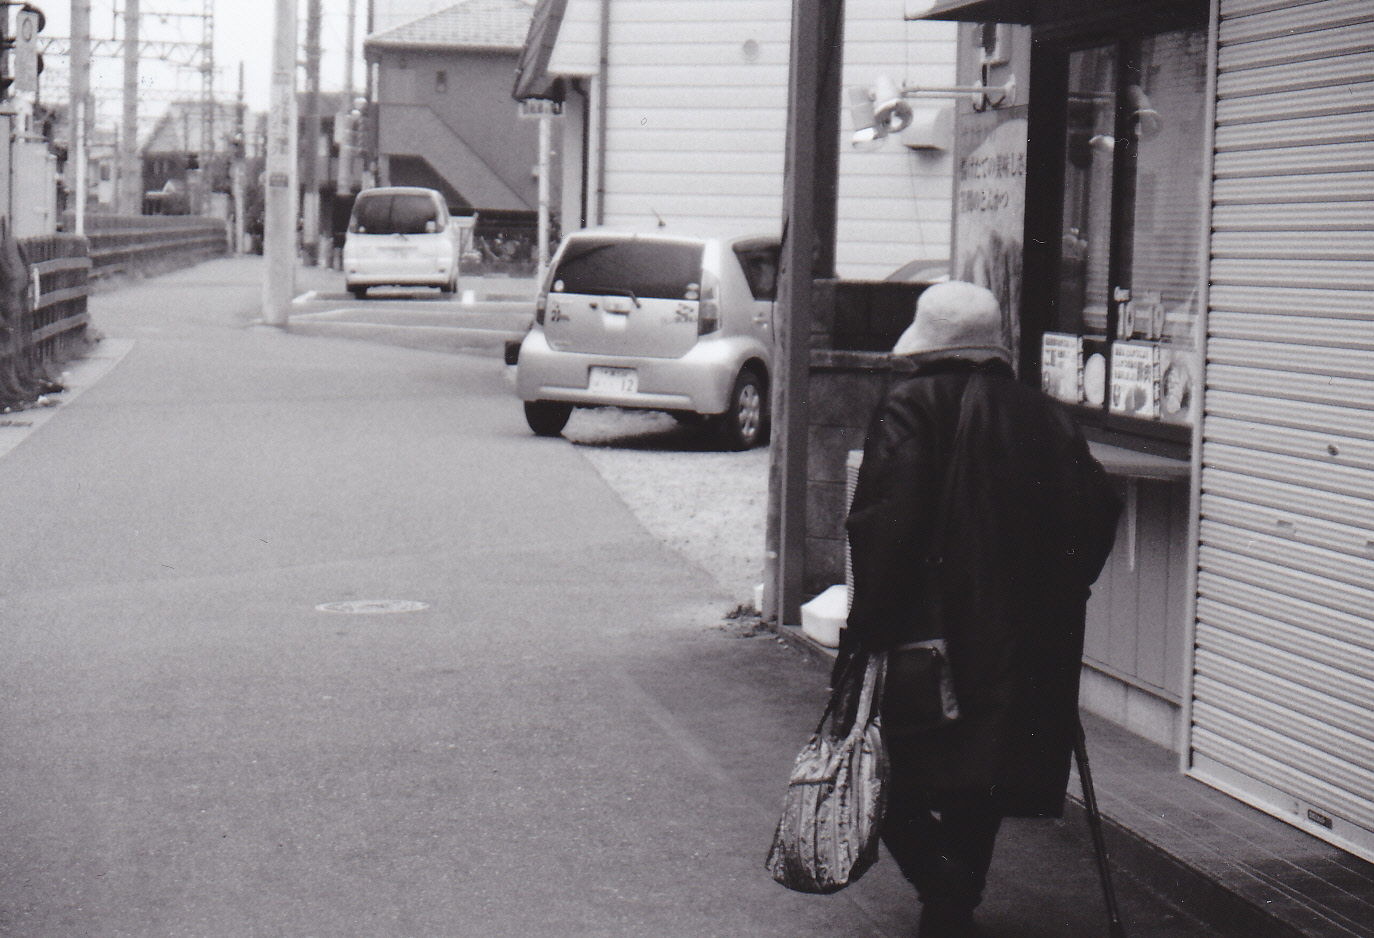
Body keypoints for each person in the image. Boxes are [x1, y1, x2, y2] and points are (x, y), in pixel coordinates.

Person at [838, 281, 1121, 936]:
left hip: (926, 633)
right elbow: (1096, 514)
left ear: (928, 346)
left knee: (882, 762)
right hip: (1025, 640)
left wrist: (866, 629)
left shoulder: (909, 406)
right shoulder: (1044, 415)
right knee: (982, 772)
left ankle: (944, 887)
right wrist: (1057, 592)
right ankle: (951, 900)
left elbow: (885, 526)